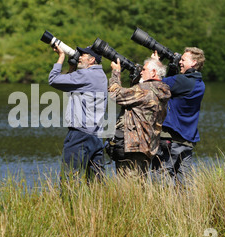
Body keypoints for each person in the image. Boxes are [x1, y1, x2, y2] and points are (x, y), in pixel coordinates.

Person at [48, 44, 108, 184]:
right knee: (96, 181)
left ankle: (69, 205)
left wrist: (61, 57)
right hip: (97, 136)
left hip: (80, 135)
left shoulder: (85, 75)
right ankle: (99, 205)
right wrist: (72, 68)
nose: (79, 57)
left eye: (83, 55)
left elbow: (54, 80)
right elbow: (71, 88)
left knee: (69, 177)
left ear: (92, 60)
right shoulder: (100, 75)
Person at [151, 47, 206, 186]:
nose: (180, 62)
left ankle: (165, 207)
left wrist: (156, 65)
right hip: (187, 140)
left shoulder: (182, 81)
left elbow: (157, 84)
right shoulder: (199, 83)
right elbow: (171, 89)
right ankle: (187, 207)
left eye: (183, 59)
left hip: (172, 138)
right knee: (185, 181)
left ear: (193, 62)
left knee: (161, 176)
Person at [108, 57, 171, 177]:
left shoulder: (144, 90)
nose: (141, 72)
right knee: (140, 183)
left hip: (133, 146)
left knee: (127, 186)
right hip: (148, 145)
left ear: (153, 72)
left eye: (144, 69)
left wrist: (116, 73)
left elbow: (115, 94)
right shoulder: (161, 90)